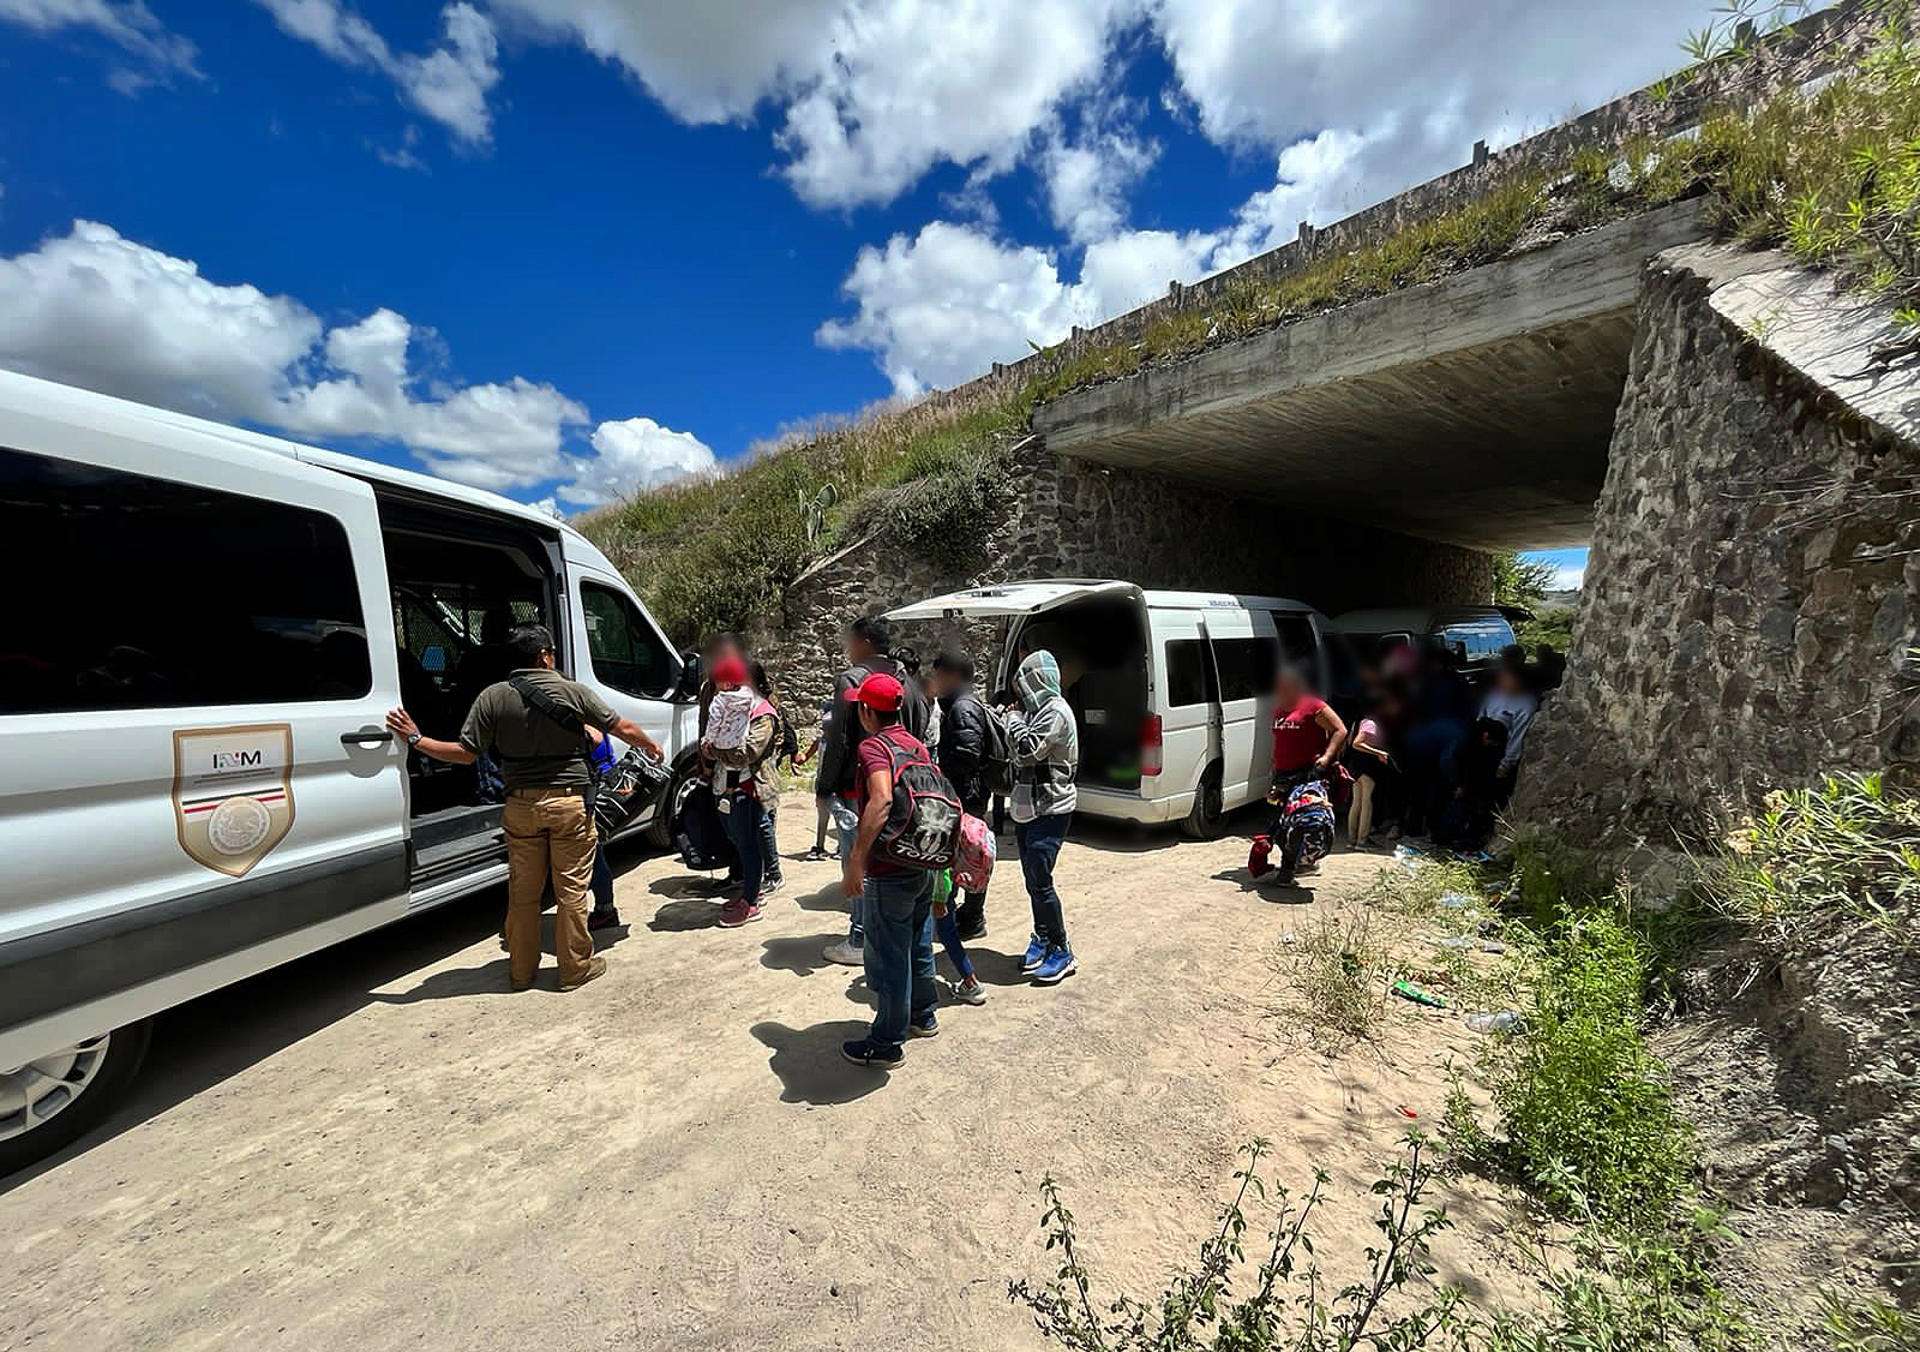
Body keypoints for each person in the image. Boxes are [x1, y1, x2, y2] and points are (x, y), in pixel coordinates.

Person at [386, 624, 662, 992]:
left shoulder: (493, 697)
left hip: (520, 806)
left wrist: (418, 739)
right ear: (544, 656)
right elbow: (621, 727)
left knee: (524, 893)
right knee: (571, 892)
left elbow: (465, 755)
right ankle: (574, 969)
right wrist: (651, 747)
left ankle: (520, 971)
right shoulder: (572, 691)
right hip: (568, 804)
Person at [839, 671, 940, 1068]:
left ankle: (886, 1042)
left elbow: (880, 800)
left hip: (889, 866)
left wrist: (856, 861)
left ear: (866, 710)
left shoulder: (873, 748)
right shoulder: (917, 745)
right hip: (921, 861)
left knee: (890, 954)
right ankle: (922, 1015)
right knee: (917, 943)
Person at [819, 615, 930, 966]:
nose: (847, 648)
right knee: (900, 860)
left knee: (861, 861)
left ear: (864, 642)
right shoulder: (909, 682)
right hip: (908, 791)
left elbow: (837, 740)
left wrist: (825, 786)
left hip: (865, 790)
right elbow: (922, 730)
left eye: (849, 641)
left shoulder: (852, 680)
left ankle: (860, 936)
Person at [1006, 648, 1079, 985]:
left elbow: (1027, 749)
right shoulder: (1038, 712)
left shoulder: (1055, 713)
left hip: (1050, 808)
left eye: (1025, 684)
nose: (1022, 694)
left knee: (1041, 881)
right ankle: (1043, 937)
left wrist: (1012, 721)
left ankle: (1062, 949)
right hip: (1028, 808)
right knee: (1033, 880)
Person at [702, 654, 780, 927]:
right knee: (737, 839)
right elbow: (712, 736)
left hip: (749, 788)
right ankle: (750, 890)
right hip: (726, 785)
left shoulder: (763, 713)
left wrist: (715, 750)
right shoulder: (726, 704)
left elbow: (748, 753)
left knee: (749, 843)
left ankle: (752, 901)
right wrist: (710, 750)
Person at [927, 648, 994, 940]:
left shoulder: (963, 707)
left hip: (966, 796)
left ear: (953, 675)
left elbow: (968, 753)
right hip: (965, 793)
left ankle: (970, 918)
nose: (936, 681)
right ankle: (963, 915)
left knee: (966, 854)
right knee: (962, 854)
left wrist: (942, 773)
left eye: (939, 674)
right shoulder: (959, 704)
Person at [1266, 664, 1349, 881]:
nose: (1280, 692)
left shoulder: (1313, 706)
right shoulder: (1278, 710)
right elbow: (1279, 742)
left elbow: (1340, 730)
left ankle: (1288, 869)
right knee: (1281, 823)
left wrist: (1326, 758)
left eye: (1284, 687)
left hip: (1308, 774)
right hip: (1283, 775)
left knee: (1302, 821)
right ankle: (1297, 863)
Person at [1479, 646, 1539, 806]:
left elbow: (1518, 736)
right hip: (1482, 746)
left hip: (1501, 752)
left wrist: (1506, 764)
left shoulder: (1526, 704)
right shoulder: (1494, 695)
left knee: (1497, 794)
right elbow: (1480, 717)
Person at [1345, 693, 1397, 849]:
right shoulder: (1370, 723)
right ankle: (1362, 841)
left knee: (1357, 803)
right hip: (1366, 768)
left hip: (1354, 768)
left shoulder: (1356, 722)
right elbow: (1356, 743)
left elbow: (1349, 743)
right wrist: (1379, 752)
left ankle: (1352, 840)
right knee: (1367, 803)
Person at [795, 695, 835, 861]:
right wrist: (798, 759)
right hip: (822, 783)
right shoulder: (821, 740)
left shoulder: (842, 742)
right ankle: (819, 846)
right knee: (822, 815)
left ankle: (842, 847)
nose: (826, 727)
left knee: (841, 816)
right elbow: (805, 756)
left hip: (836, 784)